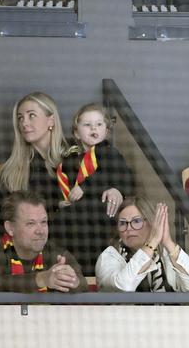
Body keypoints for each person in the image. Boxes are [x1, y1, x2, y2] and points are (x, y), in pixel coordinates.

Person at [54, 103, 134, 271]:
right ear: (76, 132)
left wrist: (85, 187)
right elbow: (63, 184)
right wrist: (60, 201)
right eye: (87, 125)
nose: (93, 128)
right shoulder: (71, 159)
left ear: (106, 130)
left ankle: (91, 270)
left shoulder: (107, 151)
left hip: (98, 214)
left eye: (99, 124)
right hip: (75, 214)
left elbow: (121, 174)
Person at [0, 190, 88, 293]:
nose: (40, 231)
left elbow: (83, 286)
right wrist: (42, 279)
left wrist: (73, 281)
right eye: (31, 223)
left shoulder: (57, 254)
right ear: (10, 228)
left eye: (43, 222)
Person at [0, 92, 69, 239]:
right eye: (20, 118)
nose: (24, 123)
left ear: (51, 120)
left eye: (31, 115)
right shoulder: (8, 174)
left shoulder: (75, 156)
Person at [95, 197, 189, 292]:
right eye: (123, 223)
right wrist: (152, 241)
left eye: (136, 221)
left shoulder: (165, 255)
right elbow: (124, 286)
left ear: (152, 223)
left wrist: (167, 242)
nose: (128, 228)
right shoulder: (109, 256)